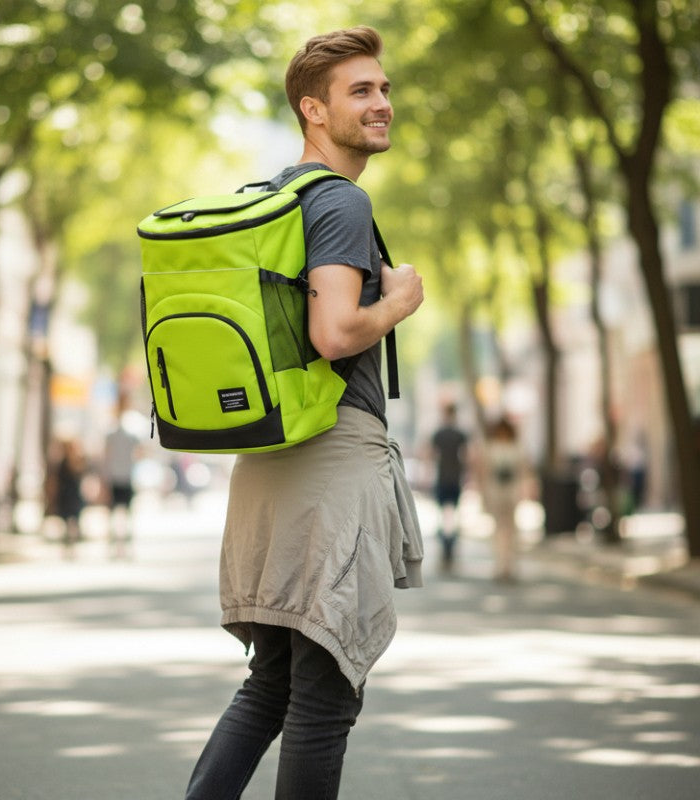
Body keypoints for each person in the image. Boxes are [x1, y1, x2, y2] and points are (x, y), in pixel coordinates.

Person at [184, 26, 424, 800]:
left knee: (271, 686)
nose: (382, 103)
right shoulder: (339, 201)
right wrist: (398, 302)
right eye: (362, 91)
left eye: (383, 89)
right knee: (324, 697)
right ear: (313, 110)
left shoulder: (272, 198)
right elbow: (334, 332)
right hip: (329, 460)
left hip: (268, 458)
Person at [480, 415, 526, 583]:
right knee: (498, 530)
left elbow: (523, 470)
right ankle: (500, 564)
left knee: (511, 530)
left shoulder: (516, 448)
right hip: (496, 491)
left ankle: (510, 564)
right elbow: (484, 470)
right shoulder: (491, 448)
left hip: (511, 492)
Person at [430, 402, 469, 572]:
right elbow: (467, 456)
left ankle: (446, 552)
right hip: (455, 479)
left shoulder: (439, 434)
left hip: (442, 479)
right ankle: (450, 551)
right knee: (452, 518)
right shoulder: (460, 435)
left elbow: (430, 455)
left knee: (443, 518)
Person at [103, 397, 140, 559]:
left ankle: (117, 547)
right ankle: (122, 547)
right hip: (124, 476)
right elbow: (139, 452)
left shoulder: (113, 434)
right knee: (125, 514)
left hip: (118, 476)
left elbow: (106, 456)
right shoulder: (130, 434)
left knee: (116, 514)